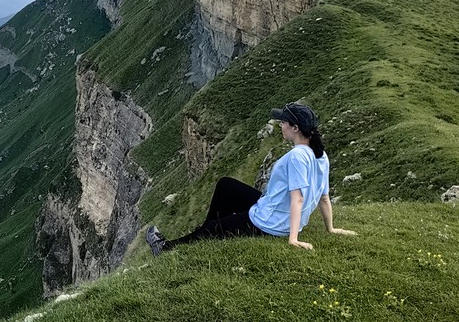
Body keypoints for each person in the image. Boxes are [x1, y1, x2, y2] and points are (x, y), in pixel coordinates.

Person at [145, 101, 357, 255]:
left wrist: (293, 239)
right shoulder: (321, 155)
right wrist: (330, 228)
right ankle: (205, 230)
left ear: (295, 128)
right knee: (226, 185)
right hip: (277, 209)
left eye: (283, 122)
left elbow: (298, 198)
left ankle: (165, 249)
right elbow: (324, 197)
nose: (280, 125)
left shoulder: (297, 157)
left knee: (213, 229)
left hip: (270, 223)